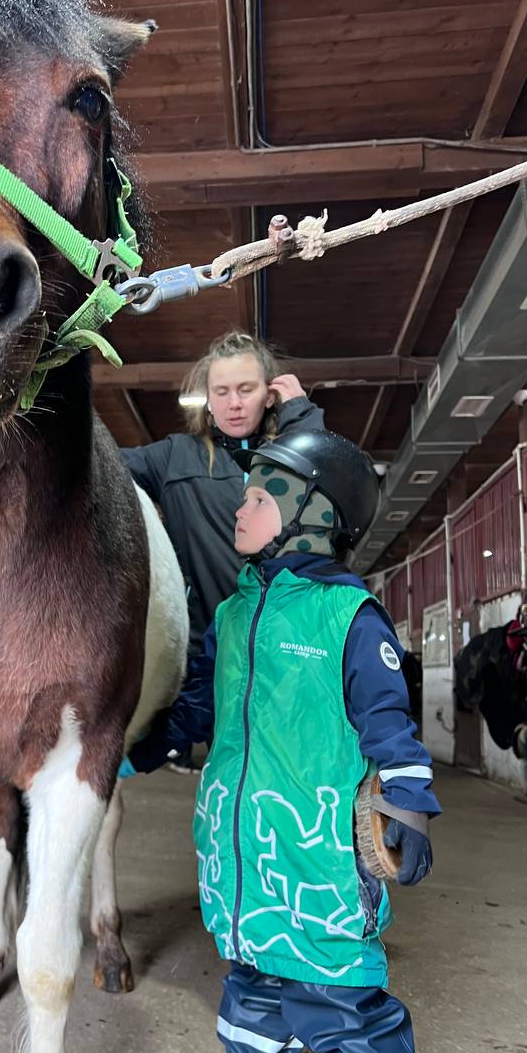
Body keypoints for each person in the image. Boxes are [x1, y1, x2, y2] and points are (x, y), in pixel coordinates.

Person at [125, 428, 440, 1053]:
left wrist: (411, 802)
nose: (242, 507)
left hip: (320, 858)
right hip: (243, 856)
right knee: (251, 970)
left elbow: (390, 724)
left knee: (341, 994)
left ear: (314, 515)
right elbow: (195, 711)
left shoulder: (348, 619)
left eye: (261, 497)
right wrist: (131, 753)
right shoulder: (231, 616)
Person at [123, 330, 324, 772]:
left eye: (246, 390)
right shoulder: (175, 458)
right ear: (208, 400)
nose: (234, 403)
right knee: (229, 779)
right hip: (210, 659)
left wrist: (303, 418)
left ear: (269, 395)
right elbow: (97, 465)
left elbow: (325, 491)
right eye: (222, 392)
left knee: (292, 778)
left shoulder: (291, 452)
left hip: (287, 653)